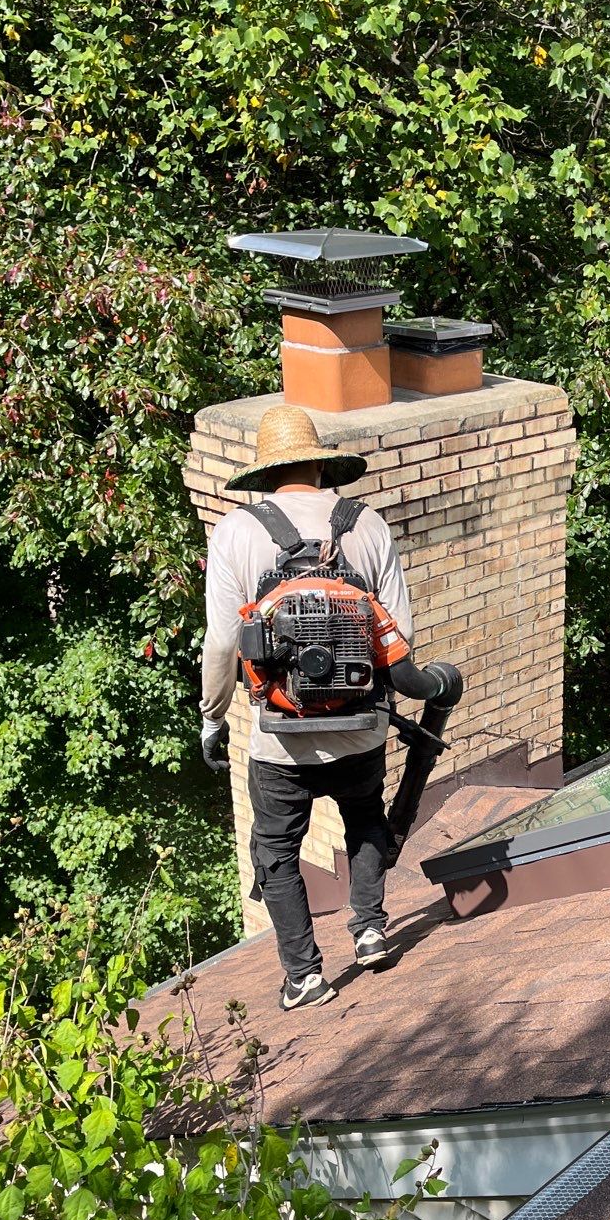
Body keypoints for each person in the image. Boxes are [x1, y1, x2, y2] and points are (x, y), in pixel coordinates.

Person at [199, 404, 413, 1011]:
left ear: (266, 476)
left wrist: (213, 717)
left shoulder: (236, 532)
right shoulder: (367, 525)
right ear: (321, 467)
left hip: (279, 737)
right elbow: (401, 637)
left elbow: (222, 642)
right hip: (362, 727)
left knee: (276, 850)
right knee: (365, 817)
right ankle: (369, 928)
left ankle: (304, 976)